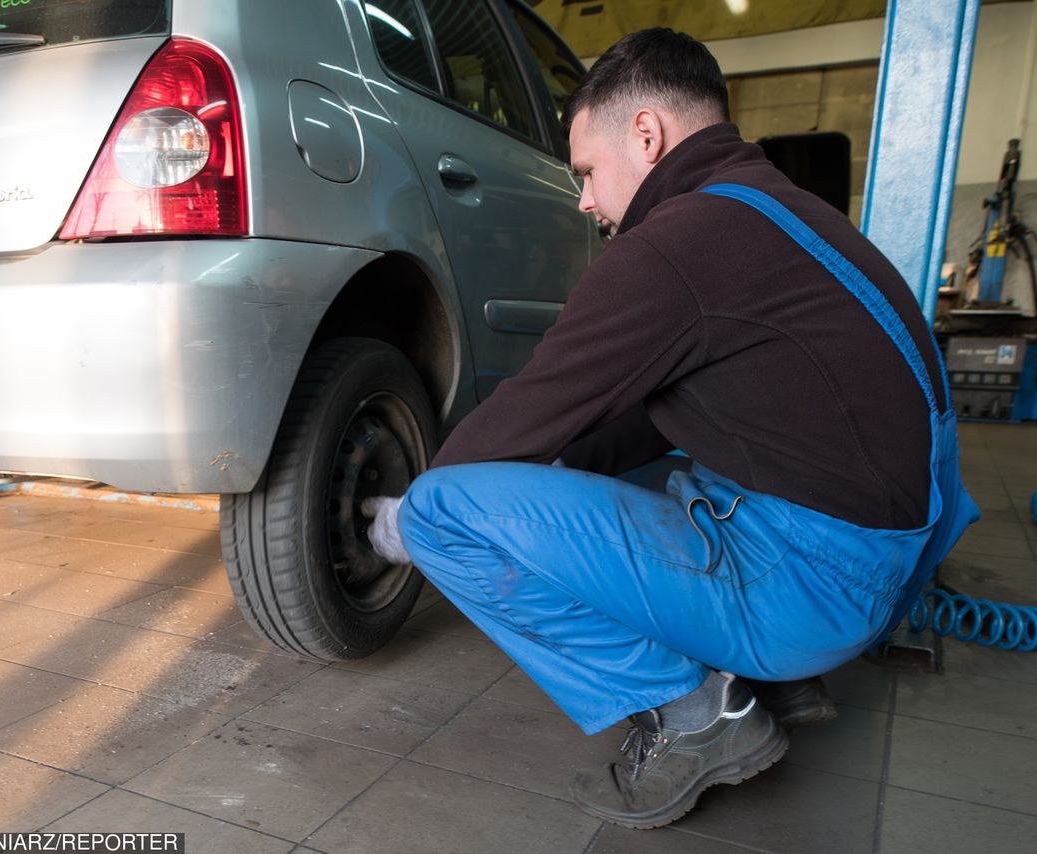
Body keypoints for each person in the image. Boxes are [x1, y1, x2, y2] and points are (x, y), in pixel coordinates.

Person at [362, 28, 979, 829]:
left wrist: (415, 514)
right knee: (645, 465)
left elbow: (532, 408)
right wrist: (547, 482)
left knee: (448, 513)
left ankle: (699, 718)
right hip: (878, 565)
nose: (584, 199)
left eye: (586, 170)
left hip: (813, 592)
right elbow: (648, 422)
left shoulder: (677, 244)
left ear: (646, 134)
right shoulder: (779, 211)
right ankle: (774, 680)